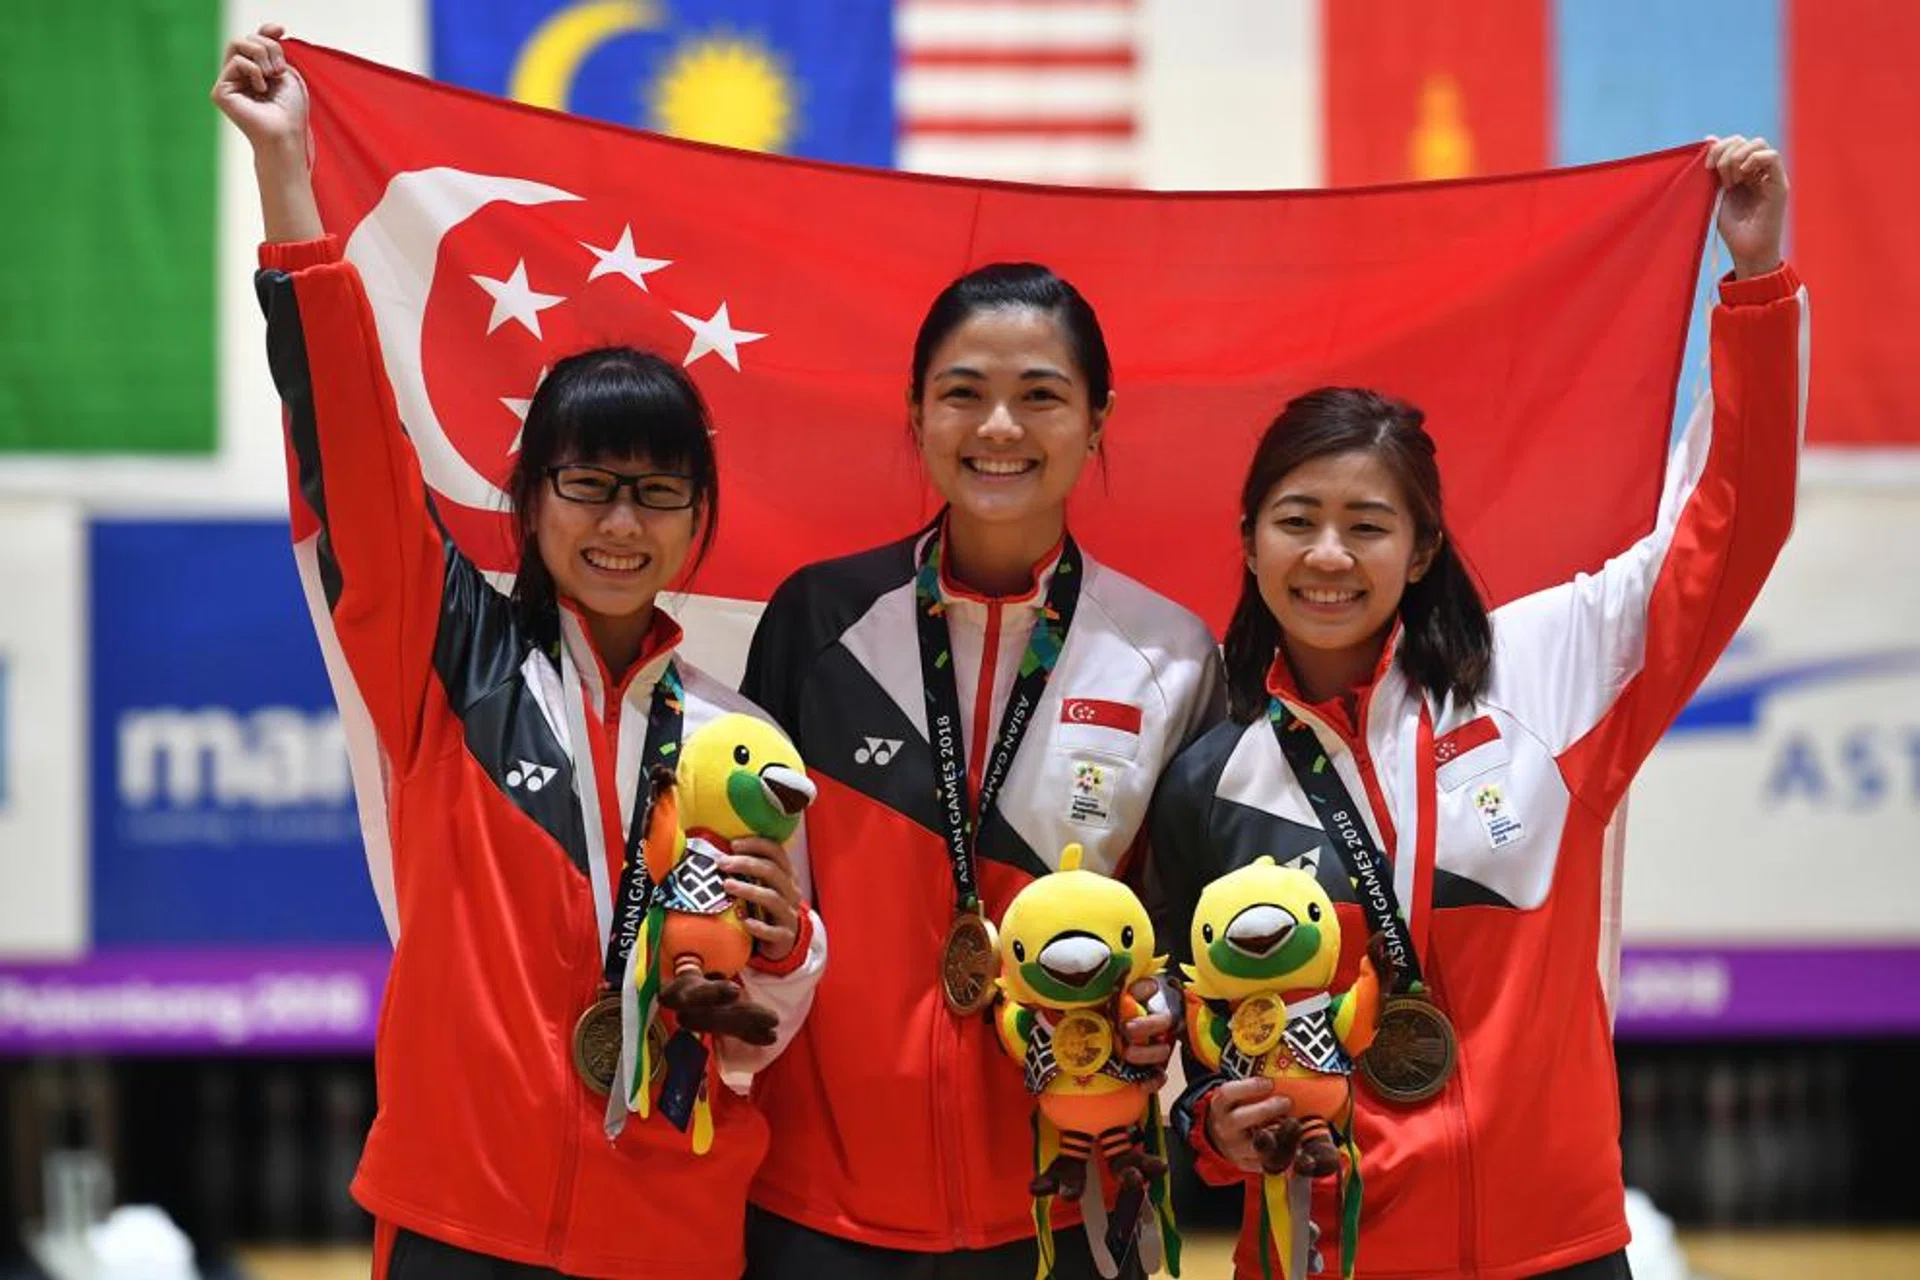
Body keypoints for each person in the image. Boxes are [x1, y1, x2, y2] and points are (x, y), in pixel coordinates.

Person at [213, 25, 825, 1279]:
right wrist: (288, 179)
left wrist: (791, 945)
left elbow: (771, 1022)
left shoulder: (739, 737)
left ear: (700, 522)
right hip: (460, 1217)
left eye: (656, 493)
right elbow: (352, 439)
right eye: (587, 485)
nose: (618, 523)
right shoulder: (443, 655)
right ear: (527, 501)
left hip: (672, 1225)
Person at [1149, 137, 1803, 1279]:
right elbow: (1191, 1049)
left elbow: (1731, 526)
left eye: (1369, 523)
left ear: (1426, 545)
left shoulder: (1543, 674)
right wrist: (1210, 1122)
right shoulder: (1211, 774)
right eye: (1296, 517)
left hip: (1559, 1249)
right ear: (1249, 541)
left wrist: (1753, 286)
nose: (1330, 553)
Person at [739, 263, 1225, 1276]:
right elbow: (754, 888)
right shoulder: (819, 624)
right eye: (963, 392)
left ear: (1097, 421)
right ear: (916, 412)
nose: (999, 426)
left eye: (1041, 395)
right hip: (815, 1206)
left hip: (1066, 1207)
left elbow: (1196, 930)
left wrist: (1163, 1009)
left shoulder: (1171, 655)